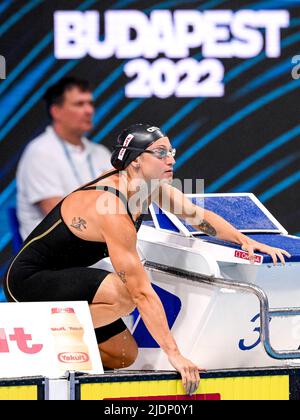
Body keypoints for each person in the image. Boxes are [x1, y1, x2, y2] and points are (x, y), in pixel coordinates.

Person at [4, 124, 291, 395]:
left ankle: (49, 355)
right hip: (28, 280)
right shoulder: (111, 206)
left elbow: (197, 217)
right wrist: (175, 355)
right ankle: (35, 327)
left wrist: (244, 239)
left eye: (172, 152)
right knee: (125, 294)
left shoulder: (148, 188)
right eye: (161, 153)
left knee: (124, 355)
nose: (171, 160)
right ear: (136, 161)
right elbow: (141, 291)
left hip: (67, 277)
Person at [16, 76, 112, 240]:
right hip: (55, 256)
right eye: (79, 104)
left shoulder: (101, 153)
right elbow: (62, 218)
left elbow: (123, 203)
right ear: (56, 111)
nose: (89, 110)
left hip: (96, 245)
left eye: (90, 103)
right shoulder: (40, 153)